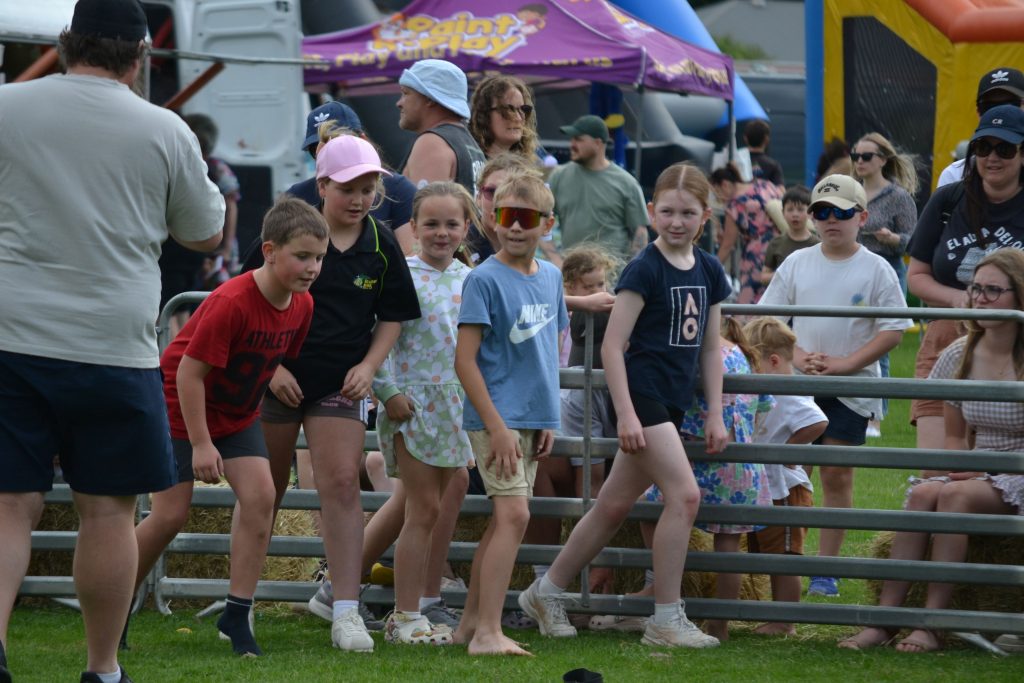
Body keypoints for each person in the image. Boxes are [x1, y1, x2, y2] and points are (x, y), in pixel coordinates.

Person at [0, 0, 225, 680]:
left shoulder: (7, 107)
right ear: (140, 56)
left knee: (8, 507)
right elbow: (205, 232)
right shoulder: (165, 129)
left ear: (67, 42)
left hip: (12, 334)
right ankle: (102, 668)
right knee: (108, 512)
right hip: (112, 345)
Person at [518, 162, 729, 649]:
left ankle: (545, 592)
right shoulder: (644, 268)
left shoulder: (710, 270)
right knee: (685, 496)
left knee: (612, 506)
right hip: (641, 398)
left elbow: (710, 348)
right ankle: (665, 618)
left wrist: (716, 411)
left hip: (672, 402)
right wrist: (627, 413)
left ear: (705, 215)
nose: (677, 222)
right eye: (668, 211)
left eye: (688, 213)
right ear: (652, 211)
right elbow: (613, 346)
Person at [244, 135, 421, 653]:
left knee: (343, 484)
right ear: (322, 185)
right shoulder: (286, 231)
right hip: (277, 381)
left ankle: (345, 609)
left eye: (369, 189)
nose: (360, 199)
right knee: (265, 492)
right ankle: (240, 603)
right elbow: (245, 301)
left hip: (340, 384)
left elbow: (393, 315)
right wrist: (272, 368)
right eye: (348, 189)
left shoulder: (381, 242)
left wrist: (369, 366)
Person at [139, 198, 326, 657]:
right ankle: (117, 594)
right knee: (169, 514)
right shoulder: (231, 301)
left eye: (320, 258)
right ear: (270, 251)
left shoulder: (302, 304)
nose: (312, 268)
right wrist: (202, 444)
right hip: (181, 407)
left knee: (262, 497)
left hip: (237, 413)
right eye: (302, 256)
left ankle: (238, 612)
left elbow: (269, 357)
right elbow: (187, 374)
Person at [838, 249, 1024, 653]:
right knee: (924, 492)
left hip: (1017, 471)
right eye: (976, 289)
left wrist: (975, 473)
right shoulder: (958, 354)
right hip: (978, 468)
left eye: (994, 291)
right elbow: (954, 437)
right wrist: (963, 466)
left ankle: (933, 624)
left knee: (954, 496)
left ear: (1019, 296)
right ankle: (884, 621)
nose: (981, 299)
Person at [759, 174, 912, 598]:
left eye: (841, 212)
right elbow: (769, 319)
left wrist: (846, 365)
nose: (830, 219)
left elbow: (893, 330)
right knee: (794, 473)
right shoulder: (797, 262)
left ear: (862, 217)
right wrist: (797, 356)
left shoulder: (877, 268)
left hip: (852, 387)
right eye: (821, 211)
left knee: (836, 472)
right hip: (799, 385)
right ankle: (790, 564)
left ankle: (826, 569)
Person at [452, 173, 568, 656]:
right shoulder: (482, 279)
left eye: (526, 217)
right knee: (515, 515)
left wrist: (548, 418)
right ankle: (487, 633)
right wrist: (496, 428)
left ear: (547, 224)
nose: (515, 227)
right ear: (493, 220)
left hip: (531, 420)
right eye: (506, 216)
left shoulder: (552, 277)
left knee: (505, 521)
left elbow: (548, 354)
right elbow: (465, 361)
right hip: (494, 420)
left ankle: (469, 625)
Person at [373, 182, 476, 646]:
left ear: (466, 228)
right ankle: (405, 615)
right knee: (423, 508)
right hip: (413, 404)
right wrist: (388, 391)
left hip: (456, 407)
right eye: (431, 223)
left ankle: (417, 605)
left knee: (436, 507)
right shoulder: (401, 276)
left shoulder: (472, 280)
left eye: (451, 224)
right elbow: (379, 339)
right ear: (413, 227)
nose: (441, 233)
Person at [907, 104, 1024, 475]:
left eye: (1005, 148)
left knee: (995, 478)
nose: (992, 157)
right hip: (947, 337)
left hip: (1014, 348)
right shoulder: (948, 199)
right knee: (934, 474)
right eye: (983, 147)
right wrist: (962, 300)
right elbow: (916, 275)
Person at [526, 246, 618, 603]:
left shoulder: (643, 377)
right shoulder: (580, 385)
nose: (599, 293)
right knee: (537, 462)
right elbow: (589, 480)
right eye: (589, 287)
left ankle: (651, 583)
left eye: (602, 284)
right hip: (576, 431)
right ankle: (543, 578)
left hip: (616, 454)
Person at [681, 317, 774, 641]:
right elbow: (764, 405)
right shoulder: (742, 354)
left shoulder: (701, 355)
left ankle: (663, 591)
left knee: (653, 508)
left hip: (703, 458)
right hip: (741, 465)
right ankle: (719, 625)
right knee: (729, 547)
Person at [743, 317, 828, 637]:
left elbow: (817, 422)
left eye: (753, 364)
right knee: (771, 554)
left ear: (774, 361)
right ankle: (775, 615)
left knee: (786, 556)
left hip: (786, 489)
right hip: (767, 486)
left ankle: (785, 622)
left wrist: (789, 450)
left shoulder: (790, 392)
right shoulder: (770, 389)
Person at [286, 100, 416, 254]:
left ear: (363, 141)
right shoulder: (296, 197)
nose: (325, 153)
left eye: (338, 143)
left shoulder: (399, 190)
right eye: (316, 149)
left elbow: (409, 257)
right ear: (322, 188)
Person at [546, 115, 649, 266]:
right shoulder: (559, 176)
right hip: (572, 274)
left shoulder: (626, 183)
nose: (572, 144)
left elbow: (640, 232)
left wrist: (631, 271)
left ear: (598, 143)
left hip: (612, 275)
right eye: (571, 139)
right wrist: (555, 259)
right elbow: (540, 219)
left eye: (578, 139)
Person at [397, 59, 485, 196]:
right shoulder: (471, 145)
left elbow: (426, 207)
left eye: (406, 93)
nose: (399, 103)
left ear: (430, 98)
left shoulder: (432, 143)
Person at [851, 132, 919, 295]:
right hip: (852, 269)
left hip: (888, 273)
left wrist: (892, 238)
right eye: (855, 156)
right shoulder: (849, 193)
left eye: (866, 156)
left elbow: (914, 244)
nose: (859, 161)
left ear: (883, 160)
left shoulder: (899, 197)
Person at [937, 67, 1024, 188]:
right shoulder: (955, 175)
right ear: (978, 113)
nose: (1000, 112)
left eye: (1011, 104)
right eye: (989, 106)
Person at [712, 162, 784, 304]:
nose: (718, 199)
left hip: (757, 256)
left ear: (724, 184)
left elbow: (727, 245)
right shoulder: (765, 185)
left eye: (716, 193)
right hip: (782, 247)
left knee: (750, 301)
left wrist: (711, 268)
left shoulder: (735, 204)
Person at [468, 74, 539, 161]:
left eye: (524, 109)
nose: (518, 118)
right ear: (484, 115)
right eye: (507, 110)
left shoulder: (530, 164)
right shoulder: (469, 161)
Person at [760, 185, 818, 285]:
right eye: (790, 209)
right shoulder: (776, 243)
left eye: (800, 209)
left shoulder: (818, 245)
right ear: (783, 212)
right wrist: (784, 274)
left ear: (810, 213)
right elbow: (764, 277)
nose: (795, 214)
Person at [744, 119, 785, 187]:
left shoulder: (737, 164)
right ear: (766, 139)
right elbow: (781, 190)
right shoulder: (773, 165)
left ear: (745, 138)